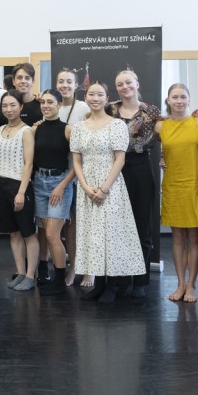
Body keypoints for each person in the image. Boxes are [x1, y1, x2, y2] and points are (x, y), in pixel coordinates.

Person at [71, 81, 145, 303]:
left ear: (107, 98)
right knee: (92, 235)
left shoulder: (117, 125)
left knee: (111, 235)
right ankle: (99, 284)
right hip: (87, 187)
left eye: (100, 94)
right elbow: (76, 160)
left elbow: (120, 159)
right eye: (91, 94)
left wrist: (104, 189)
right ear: (86, 97)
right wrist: (85, 187)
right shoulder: (78, 128)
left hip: (110, 187)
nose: (95, 98)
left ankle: (113, 286)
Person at [106, 69, 162, 298]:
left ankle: (140, 281)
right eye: (120, 84)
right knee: (117, 225)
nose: (124, 87)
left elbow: (170, 133)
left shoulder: (151, 111)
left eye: (128, 82)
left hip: (141, 167)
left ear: (137, 84)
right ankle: (118, 281)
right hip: (114, 168)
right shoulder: (109, 109)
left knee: (142, 224)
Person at [154, 83, 198, 303]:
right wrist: (162, 158)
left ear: (189, 99)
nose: (179, 101)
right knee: (177, 238)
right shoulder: (160, 126)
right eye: (175, 97)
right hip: (173, 185)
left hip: (194, 184)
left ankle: (191, 284)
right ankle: (179, 283)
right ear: (168, 100)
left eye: (183, 97)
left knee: (194, 238)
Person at [32, 88, 75, 295]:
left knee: (52, 234)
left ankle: (59, 281)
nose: (46, 106)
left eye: (50, 102)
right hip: (39, 182)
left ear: (59, 104)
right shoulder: (36, 129)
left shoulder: (68, 130)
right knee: (44, 232)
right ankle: (47, 275)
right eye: (43, 102)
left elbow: (78, 165)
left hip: (60, 184)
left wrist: (62, 185)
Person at [0, 91, 37, 291]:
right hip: (0, 185)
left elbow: (29, 164)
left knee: (28, 233)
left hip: (19, 186)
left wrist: (21, 192)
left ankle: (30, 276)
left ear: (21, 107)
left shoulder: (26, 131)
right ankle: (20, 273)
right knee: (13, 233)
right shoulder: (0, 129)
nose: (9, 109)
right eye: (5, 106)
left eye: (13, 105)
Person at [54, 69, 89, 287]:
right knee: (66, 226)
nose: (64, 85)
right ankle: (70, 266)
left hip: (81, 174)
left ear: (77, 85)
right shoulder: (53, 106)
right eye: (61, 81)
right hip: (59, 173)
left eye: (69, 81)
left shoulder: (84, 108)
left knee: (78, 224)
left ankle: (82, 269)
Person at [0, 62, 41, 126]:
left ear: (33, 81)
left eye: (27, 78)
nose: (23, 81)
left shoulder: (41, 105)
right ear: (13, 81)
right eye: (19, 78)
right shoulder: (4, 108)